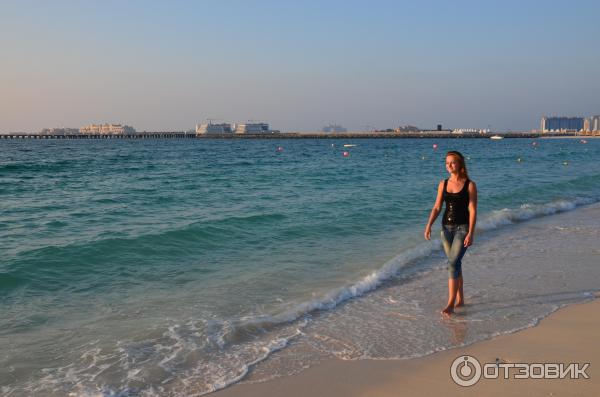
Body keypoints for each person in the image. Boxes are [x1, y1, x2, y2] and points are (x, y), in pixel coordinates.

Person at [424, 151, 477, 317]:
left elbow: (472, 210)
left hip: (463, 228)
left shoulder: (470, 185)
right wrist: (428, 225)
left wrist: (471, 233)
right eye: (447, 163)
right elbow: (437, 207)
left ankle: (451, 304)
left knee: (452, 264)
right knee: (456, 263)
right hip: (446, 228)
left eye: (452, 163)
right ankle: (461, 298)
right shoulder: (443, 183)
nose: (449, 166)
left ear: (460, 164)